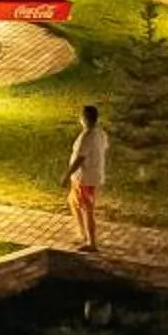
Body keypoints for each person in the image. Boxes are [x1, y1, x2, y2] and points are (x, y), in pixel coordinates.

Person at [63, 104, 109, 251]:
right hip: (92, 177)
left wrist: (67, 174)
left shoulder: (87, 136)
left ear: (84, 118)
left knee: (87, 209)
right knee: (73, 201)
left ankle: (91, 242)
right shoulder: (101, 133)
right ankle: (82, 233)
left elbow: (80, 159)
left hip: (84, 179)